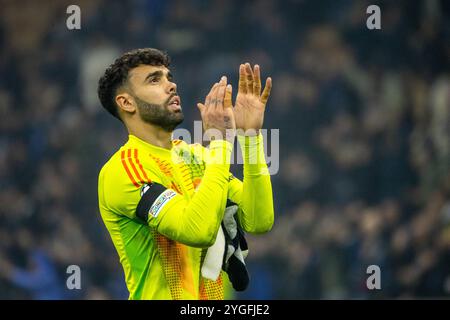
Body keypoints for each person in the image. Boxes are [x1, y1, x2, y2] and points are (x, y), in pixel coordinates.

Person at [97, 48, 274, 300]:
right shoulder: (124, 170)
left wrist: (250, 137)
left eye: (169, 77)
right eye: (154, 79)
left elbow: (259, 220)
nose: (171, 85)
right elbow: (196, 231)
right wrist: (221, 143)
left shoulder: (195, 156)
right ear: (126, 102)